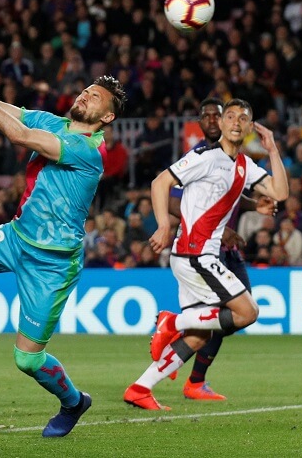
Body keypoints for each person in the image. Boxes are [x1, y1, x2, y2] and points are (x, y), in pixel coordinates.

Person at [0, 52, 126, 437]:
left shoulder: (90, 152)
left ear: (107, 118)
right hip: (16, 236)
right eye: (86, 90)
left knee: (27, 360)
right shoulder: (56, 122)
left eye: (96, 97)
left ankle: (74, 402)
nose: (85, 96)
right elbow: (10, 112)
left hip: (52, 262)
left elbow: (17, 135)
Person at [123, 98, 288, 410]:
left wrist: (272, 149)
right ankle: (172, 323)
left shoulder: (244, 165)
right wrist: (162, 226)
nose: (236, 121)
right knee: (247, 312)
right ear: (222, 125)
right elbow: (161, 182)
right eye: (231, 116)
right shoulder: (206, 157)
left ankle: (140, 388)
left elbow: (280, 193)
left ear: (251, 128)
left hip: (198, 257)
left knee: (200, 335)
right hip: (196, 255)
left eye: (244, 117)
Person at [165, 98, 276, 401]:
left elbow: (232, 190)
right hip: (201, 247)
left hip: (226, 251)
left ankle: (188, 364)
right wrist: (224, 229)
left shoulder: (237, 157)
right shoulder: (199, 154)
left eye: (219, 114)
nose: (213, 119)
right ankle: (187, 364)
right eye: (207, 115)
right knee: (230, 313)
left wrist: (256, 203)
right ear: (200, 123)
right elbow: (175, 200)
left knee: (236, 314)